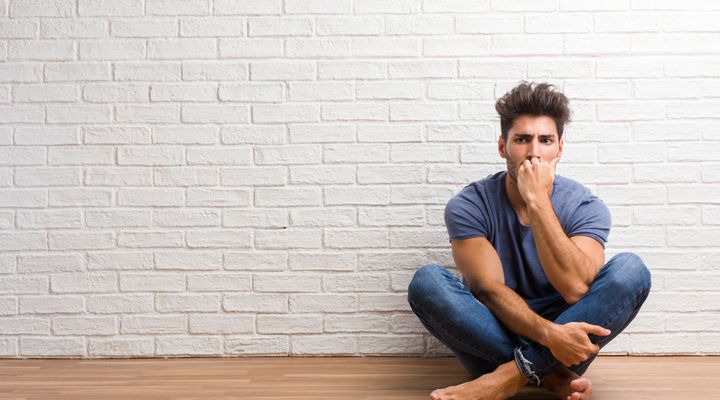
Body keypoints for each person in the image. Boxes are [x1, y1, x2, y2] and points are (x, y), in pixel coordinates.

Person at [407, 81, 651, 400]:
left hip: (569, 333)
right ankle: (550, 375)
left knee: (631, 270)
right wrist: (549, 336)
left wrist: (537, 200)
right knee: (427, 282)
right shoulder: (469, 205)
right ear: (502, 147)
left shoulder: (585, 206)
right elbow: (488, 291)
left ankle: (510, 374)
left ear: (559, 149)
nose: (534, 152)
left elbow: (576, 288)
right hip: (496, 334)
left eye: (545, 140)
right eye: (522, 139)